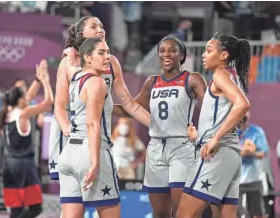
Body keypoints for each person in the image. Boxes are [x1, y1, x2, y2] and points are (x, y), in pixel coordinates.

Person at [114, 35, 207, 217]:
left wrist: (204, 135)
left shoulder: (192, 79)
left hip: (181, 146)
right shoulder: (151, 82)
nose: (166, 54)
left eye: (172, 50)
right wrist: (102, 105)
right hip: (155, 147)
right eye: (162, 50)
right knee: (160, 212)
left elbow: (212, 108)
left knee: (183, 211)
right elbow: (131, 110)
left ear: (182, 56)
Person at [49, 15, 150, 181]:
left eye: (101, 26)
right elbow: (59, 106)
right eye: (94, 27)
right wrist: (68, 130)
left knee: (100, 196)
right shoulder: (70, 62)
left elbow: (130, 104)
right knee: (73, 200)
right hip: (72, 136)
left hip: (98, 135)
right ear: (82, 34)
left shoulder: (112, 63)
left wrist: (158, 126)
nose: (100, 30)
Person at [176, 32, 251, 218]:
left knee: (184, 215)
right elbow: (232, 114)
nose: (203, 54)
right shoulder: (235, 77)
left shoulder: (221, 75)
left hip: (217, 153)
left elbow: (243, 105)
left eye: (209, 50)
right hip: (231, 155)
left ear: (224, 55)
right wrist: (199, 137)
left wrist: (214, 138)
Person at [58, 37, 120, 218]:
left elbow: (69, 67)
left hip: (69, 151)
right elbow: (93, 124)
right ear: (87, 58)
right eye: (101, 53)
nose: (107, 57)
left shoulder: (75, 76)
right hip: (90, 150)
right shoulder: (97, 82)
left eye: (108, 52)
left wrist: (69, 54)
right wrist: (95, 162)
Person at [0, 64, 53, 218]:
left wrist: (37, 79)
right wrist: (46, 81)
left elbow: (27, 97)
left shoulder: (6, 114)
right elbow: (49, 102)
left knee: (16, 210)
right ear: (20, 100)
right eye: (24, 97)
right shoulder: (25, 113)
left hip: (8, 166)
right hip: (24, 166)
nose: (28, 99)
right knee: (36, 209)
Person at [237, 111, 269, 218]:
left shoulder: (257, 132)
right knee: (236, 213)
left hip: (254, 178)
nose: (244, 117)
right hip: (235, 179)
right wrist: (241, 153)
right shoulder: (231, 132)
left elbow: (262, 153)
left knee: (256, 213)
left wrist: (251, 152)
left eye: (246, 114)